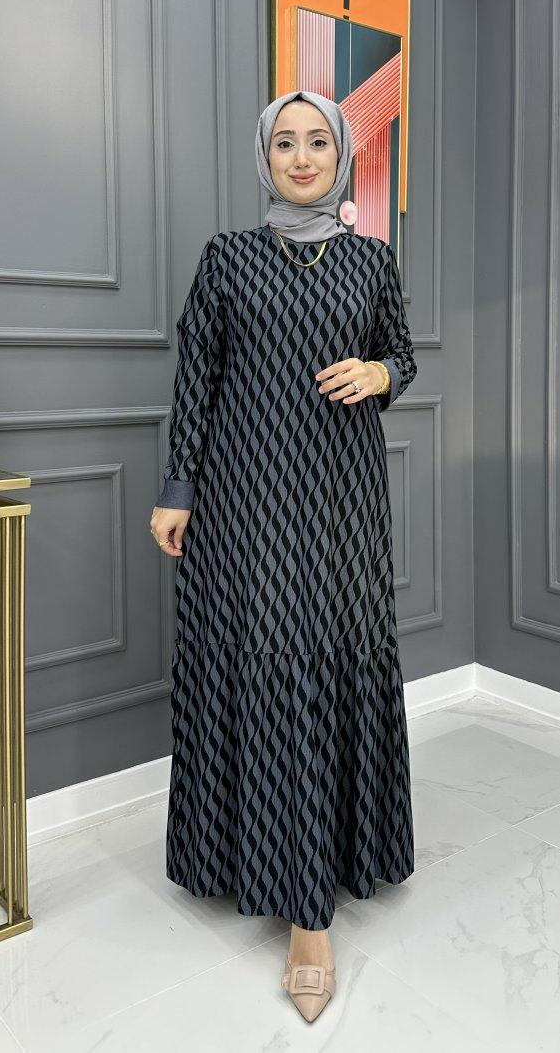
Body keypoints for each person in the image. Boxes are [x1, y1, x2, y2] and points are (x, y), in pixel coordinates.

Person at [149, 89, 417, 1023]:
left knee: (328, 663)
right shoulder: (226, 258)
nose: (302, 157)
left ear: (341, 156)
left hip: (342, 504)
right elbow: (197, 377)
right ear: (264, 157)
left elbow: (403, 355)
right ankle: (260, 866)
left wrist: (380, 372)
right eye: (285, 144)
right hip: (244, 505)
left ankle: (314, 912)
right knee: (266, 667)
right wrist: (177, 488)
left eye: (318, 143)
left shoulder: (371, 260)